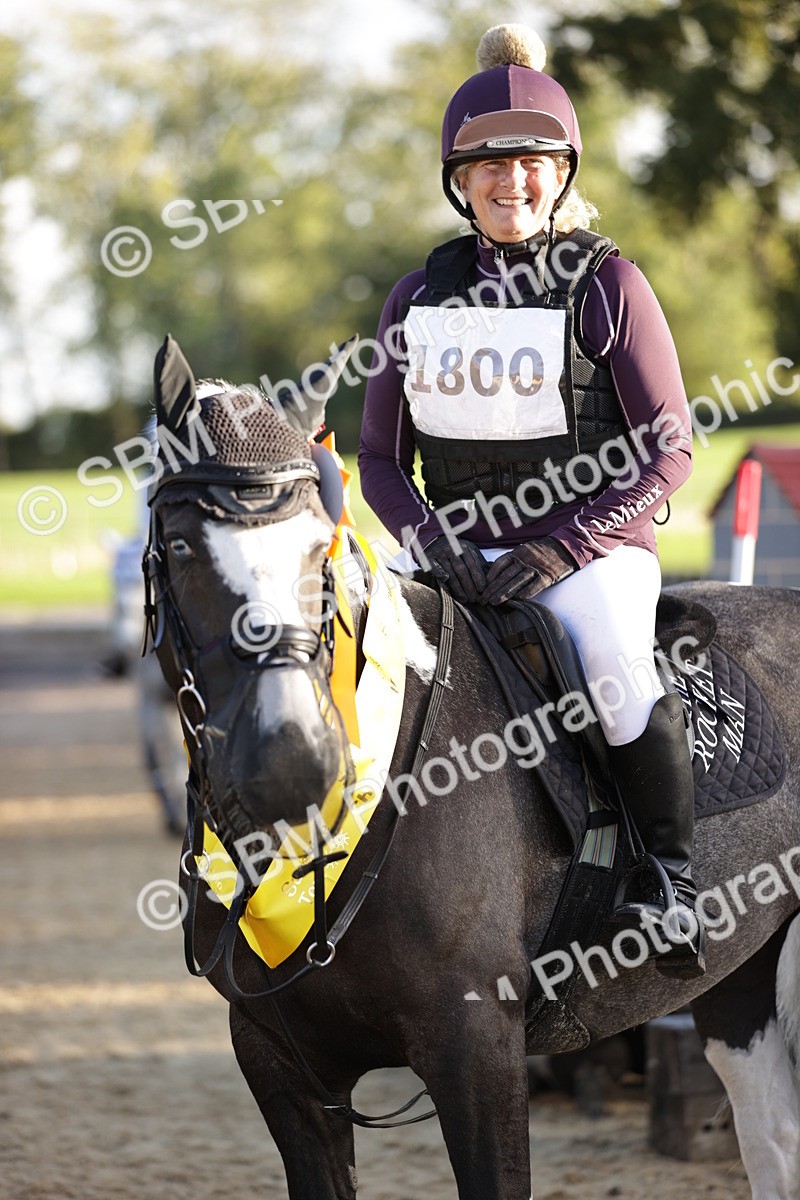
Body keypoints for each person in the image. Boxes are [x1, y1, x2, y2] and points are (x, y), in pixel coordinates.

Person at [358, 24, 704, 977]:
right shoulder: (414, 299)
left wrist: (564, 549)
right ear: (459, 182)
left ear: (561, 171)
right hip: (458, 556)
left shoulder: (610, 285)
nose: (512, 182)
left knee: (614, 664)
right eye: (490, 167)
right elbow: (378, 460)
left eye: (532, 163)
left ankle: (669, 884)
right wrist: (434, 544)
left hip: (589, 553)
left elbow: (669, 445)